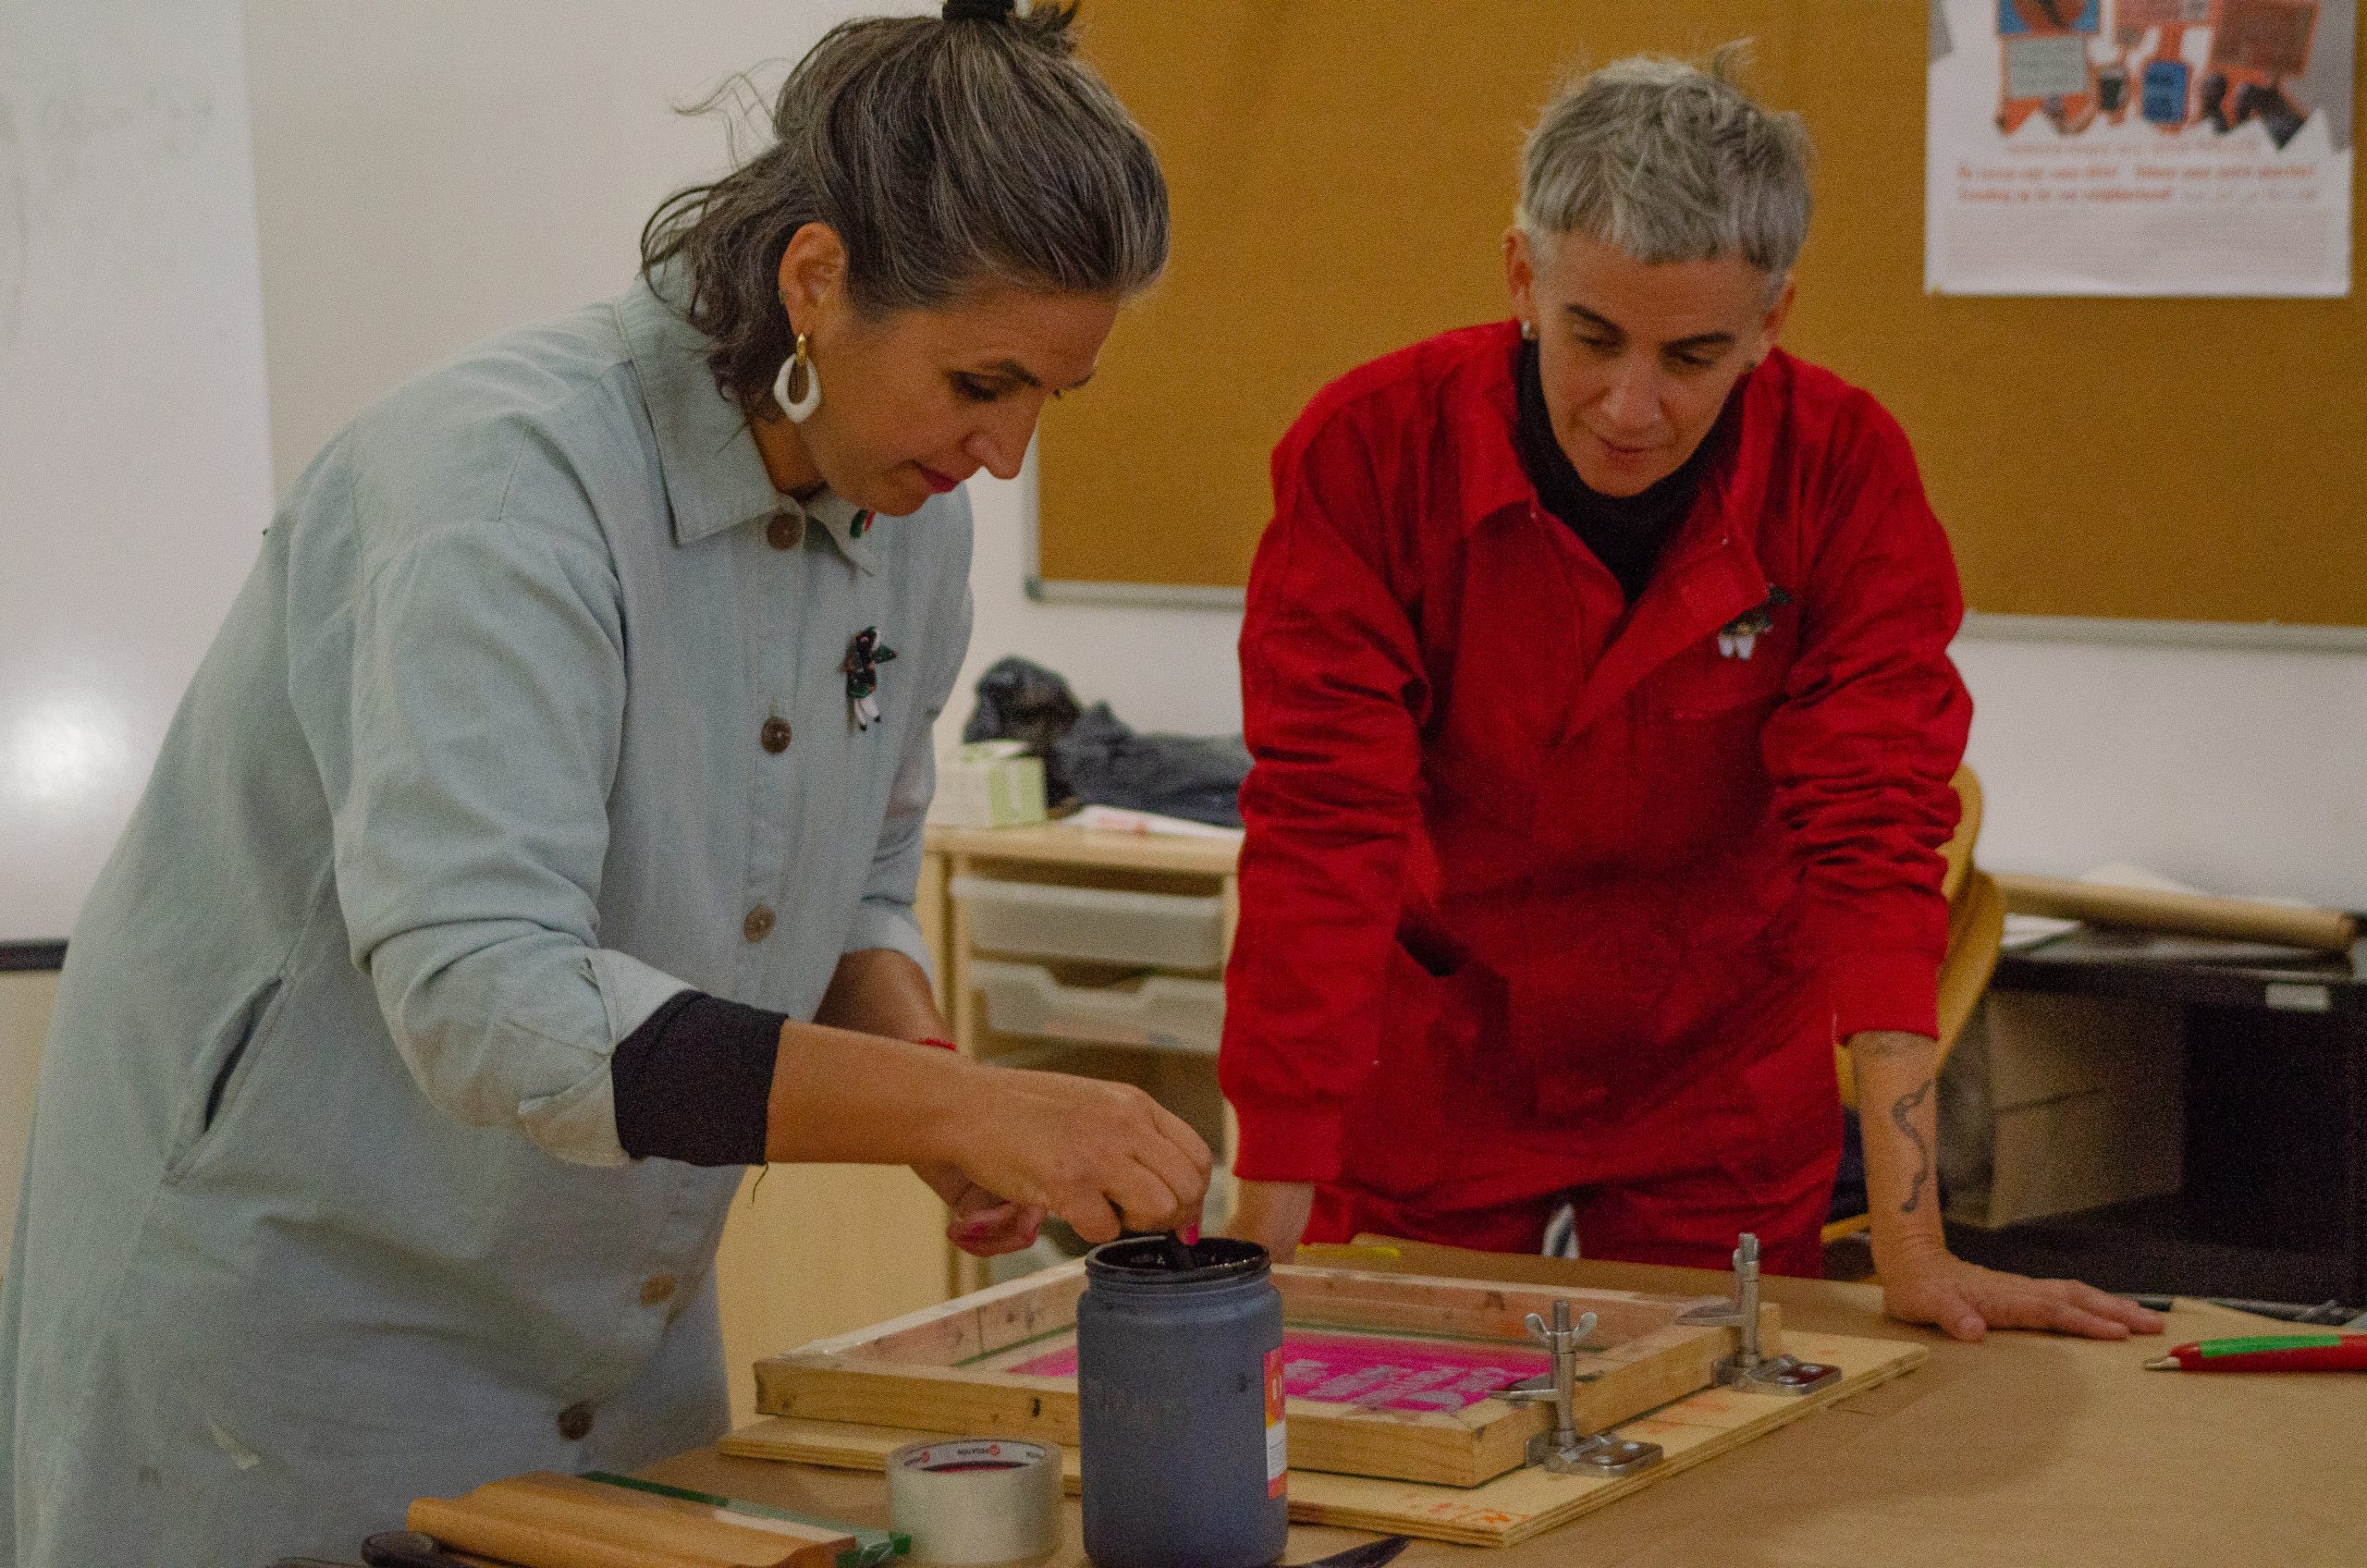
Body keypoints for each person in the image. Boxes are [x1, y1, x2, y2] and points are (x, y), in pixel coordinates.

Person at [0, 5, 1208, 1562]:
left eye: (1051, 395)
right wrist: (966, 1100)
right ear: (817, 280)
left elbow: (851, 890)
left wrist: (935, 1100)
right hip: (288, 1352)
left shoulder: (914, 522)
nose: (1008, 452)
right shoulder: (503, 487)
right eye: (981, 381)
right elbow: (492, 1001)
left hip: (612, 1333)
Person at [1219, 48, 2158, 1346]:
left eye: (1695, 354)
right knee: (1381, 1383)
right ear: (1522, 278)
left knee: (1724, 1411)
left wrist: (1913, 1247)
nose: (1632, 406)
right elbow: (1324, 832)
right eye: (1593, 338)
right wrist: (1262, 1233)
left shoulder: (1843, 475)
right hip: (1441, 1046)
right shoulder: (1372, 454)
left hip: (1716, 1061)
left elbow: (1880, 838)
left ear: (1772, 321)